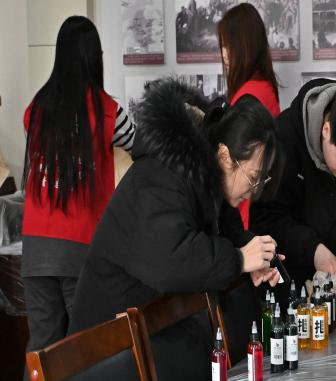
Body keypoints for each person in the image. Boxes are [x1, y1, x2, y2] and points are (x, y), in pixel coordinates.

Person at [70, 79, 281, 333]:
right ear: (225, 156)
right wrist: (239, 259)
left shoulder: (207, 180)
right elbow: (172, 259)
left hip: (150, 327)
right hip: (107, 339)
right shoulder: (161, 175)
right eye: (253, 177)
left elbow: (229, 234)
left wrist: (255, 258)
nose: (254, 190)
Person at [21, 16, 135, 353]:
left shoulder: (35, 109)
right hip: (81, 247)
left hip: (36, 250)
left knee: (42, 351)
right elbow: (144, 148)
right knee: (85, 348)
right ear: (95, 58)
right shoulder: (109, 112)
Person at [250, 78, 336, 290]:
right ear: (326, 130)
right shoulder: (284, 141)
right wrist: (313, 250)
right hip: (287, 282)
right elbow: (266, 217)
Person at [218, 2, 281, 230]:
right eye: (222, 46)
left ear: (244, 46)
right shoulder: (264, 86)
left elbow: (244, 170)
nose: (224, 54)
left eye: (228, 45)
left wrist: (239, 234)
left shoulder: (250, 96)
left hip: (247, 211)